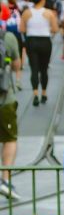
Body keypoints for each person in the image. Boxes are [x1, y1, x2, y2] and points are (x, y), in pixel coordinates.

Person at [19, 0, 58, 107]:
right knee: (44, 69)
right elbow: (55, 29)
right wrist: (46, 29)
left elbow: (22, 29)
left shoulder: (26, 13)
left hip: (32, 41)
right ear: (42, 0)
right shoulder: (49, 13)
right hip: (45, 41)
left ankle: (35, 93)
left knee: (34, 68)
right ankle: (44, 93)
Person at [0, 26, 21, 200]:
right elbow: (16, 65)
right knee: (9, 139)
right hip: (4, 98)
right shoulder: (8, 37)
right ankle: (5, 180)